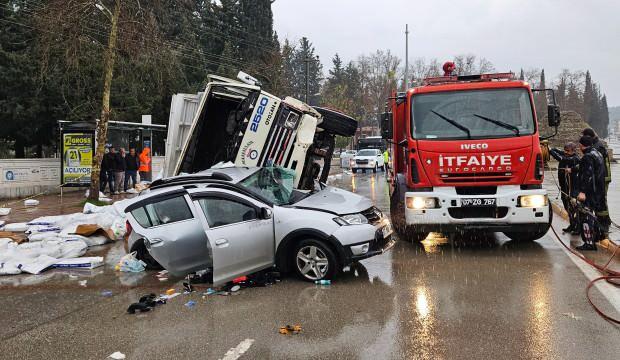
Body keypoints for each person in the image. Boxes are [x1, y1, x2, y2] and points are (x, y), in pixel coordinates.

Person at [575, 135, 606, 251]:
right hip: (598, 191)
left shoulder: (587, 157)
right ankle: (596, 237)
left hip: (589, 192)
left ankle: (589, 243)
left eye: (580, 145)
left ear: (582, 145)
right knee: (593, 215)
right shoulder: (597, 153)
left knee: (585, 216)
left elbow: (587, 176)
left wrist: (582, 191)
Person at [582, 128, 611, 236]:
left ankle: (604, 224)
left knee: (601, 200)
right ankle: (603, 222)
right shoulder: (597, 145)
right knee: (601, 200)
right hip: (601, 177)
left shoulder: (597, 147)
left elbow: (596, 165)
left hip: (602, 178)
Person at [549, 142, 580, 234]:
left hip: (571, 187)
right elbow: (558, 151)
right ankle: (572, 224)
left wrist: (550, 151)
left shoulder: (574, 158)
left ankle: (577, 226)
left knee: (573, 207)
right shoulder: (567, 155)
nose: (566, 152)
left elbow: (560, 158)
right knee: (566, 205)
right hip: (564, 186)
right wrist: (549, 147)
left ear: (573, 151)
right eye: (565, 150)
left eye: (568, 151)